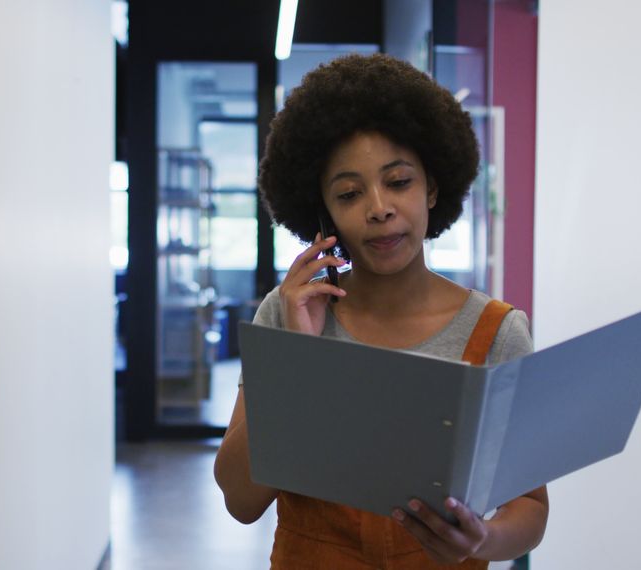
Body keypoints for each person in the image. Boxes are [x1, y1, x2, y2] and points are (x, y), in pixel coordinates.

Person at [213, 53, 548, 569]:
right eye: (349, 193)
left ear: (431, 187)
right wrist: (297, 359)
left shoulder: (498, 332)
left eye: (398, 181)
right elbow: (240, 501)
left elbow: (529, 508)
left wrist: (483, 540)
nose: (378, 207)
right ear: (324, 213)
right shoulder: (287, 316)